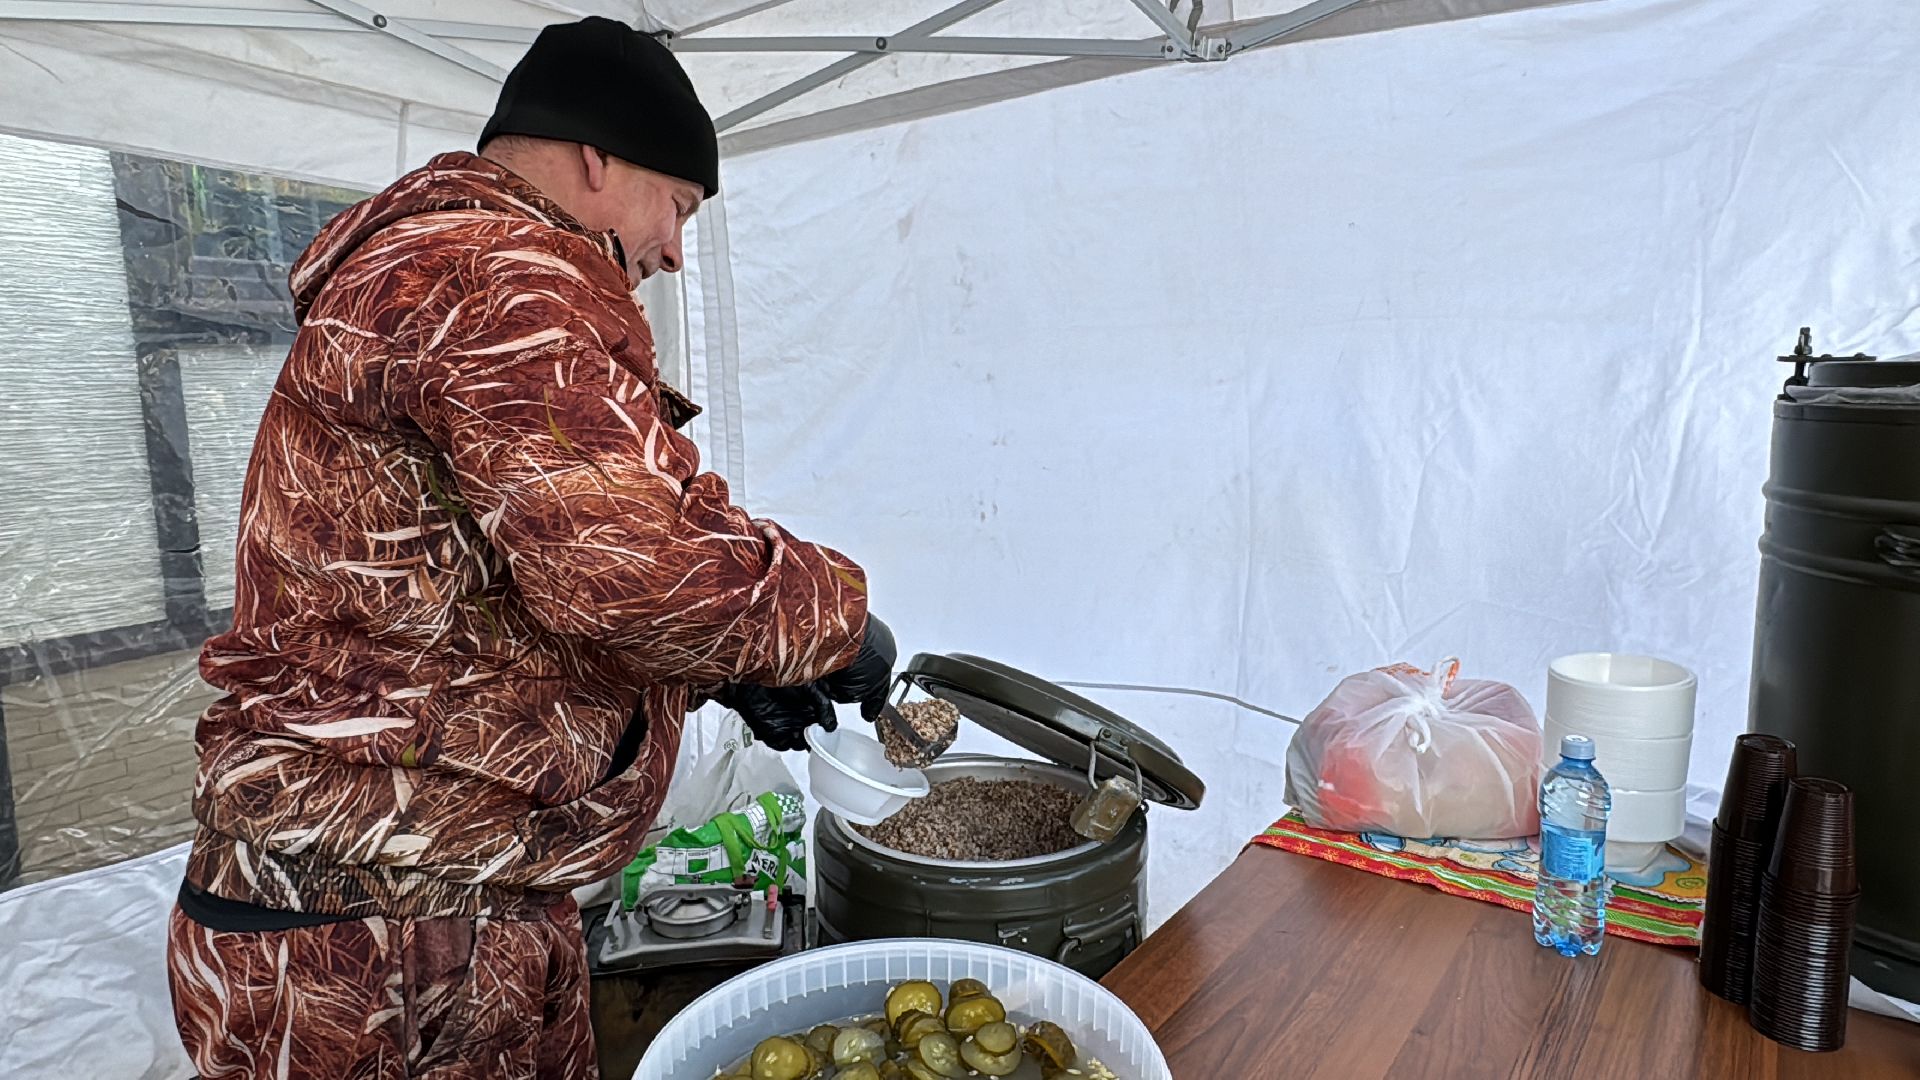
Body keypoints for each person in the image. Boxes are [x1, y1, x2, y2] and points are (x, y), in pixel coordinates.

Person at [164, 17, 892, 1078]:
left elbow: (509, 581)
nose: (677, 249)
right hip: (370, 936)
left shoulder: (466, 278)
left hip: (456, 908)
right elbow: (627, 566)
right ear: (598, 155)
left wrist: (712, 676)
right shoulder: (489, 275)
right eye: (679, 205)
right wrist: (835, 619)